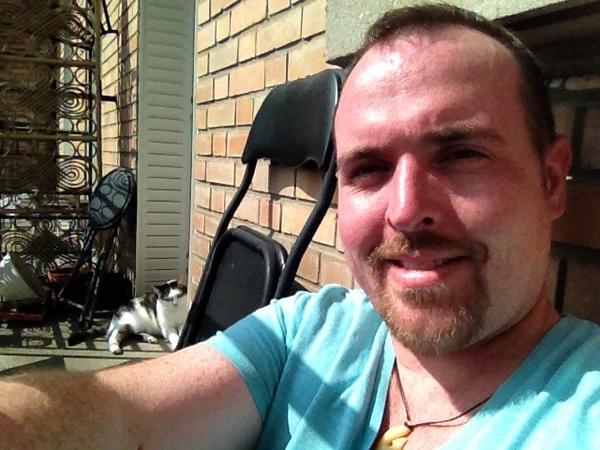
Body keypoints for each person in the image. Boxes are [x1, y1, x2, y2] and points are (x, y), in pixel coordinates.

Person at [1, 4, 597, 449]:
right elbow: (114, 414)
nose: (405, 209)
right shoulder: (306, 335)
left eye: (462, 153)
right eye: (368, 168)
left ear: (551, 181)